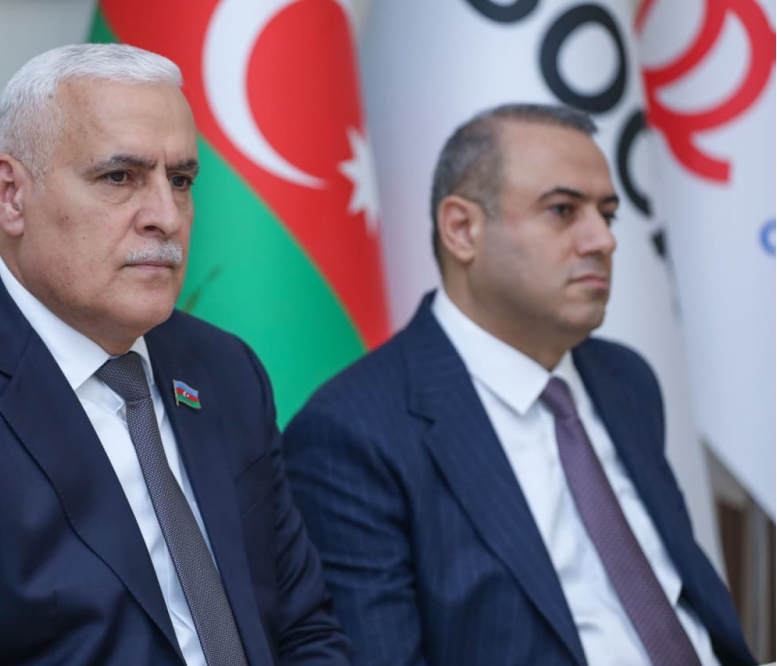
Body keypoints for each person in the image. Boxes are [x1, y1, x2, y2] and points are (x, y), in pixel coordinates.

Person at [0, 43, 349, 665]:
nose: (166, 216)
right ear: (11, 195)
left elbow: (304, 630)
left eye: (180, 180)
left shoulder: (223, 371)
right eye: (120, 178)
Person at [283, 103, 754, 666]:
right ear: (462, 230)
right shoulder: (353, 431)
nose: (603, 240)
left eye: (607, 214)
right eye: (563, 211)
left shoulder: (626, 380)